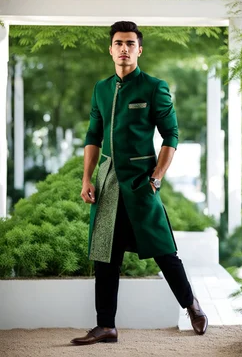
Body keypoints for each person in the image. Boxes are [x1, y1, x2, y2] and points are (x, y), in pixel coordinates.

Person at [71, 21, 208, 345]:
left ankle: (191, 305)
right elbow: (93, 136)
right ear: (110, 48)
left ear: (139, 49)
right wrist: (87, 178)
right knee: (105, 254)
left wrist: (157, 176)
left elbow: (171, 134)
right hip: (108, 182)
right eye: (118, 43)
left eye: (130, 43)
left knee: (164, 249)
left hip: (141, 184)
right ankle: (106, 325)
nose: (124, 49)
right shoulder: (101, 89)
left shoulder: (154, 87)